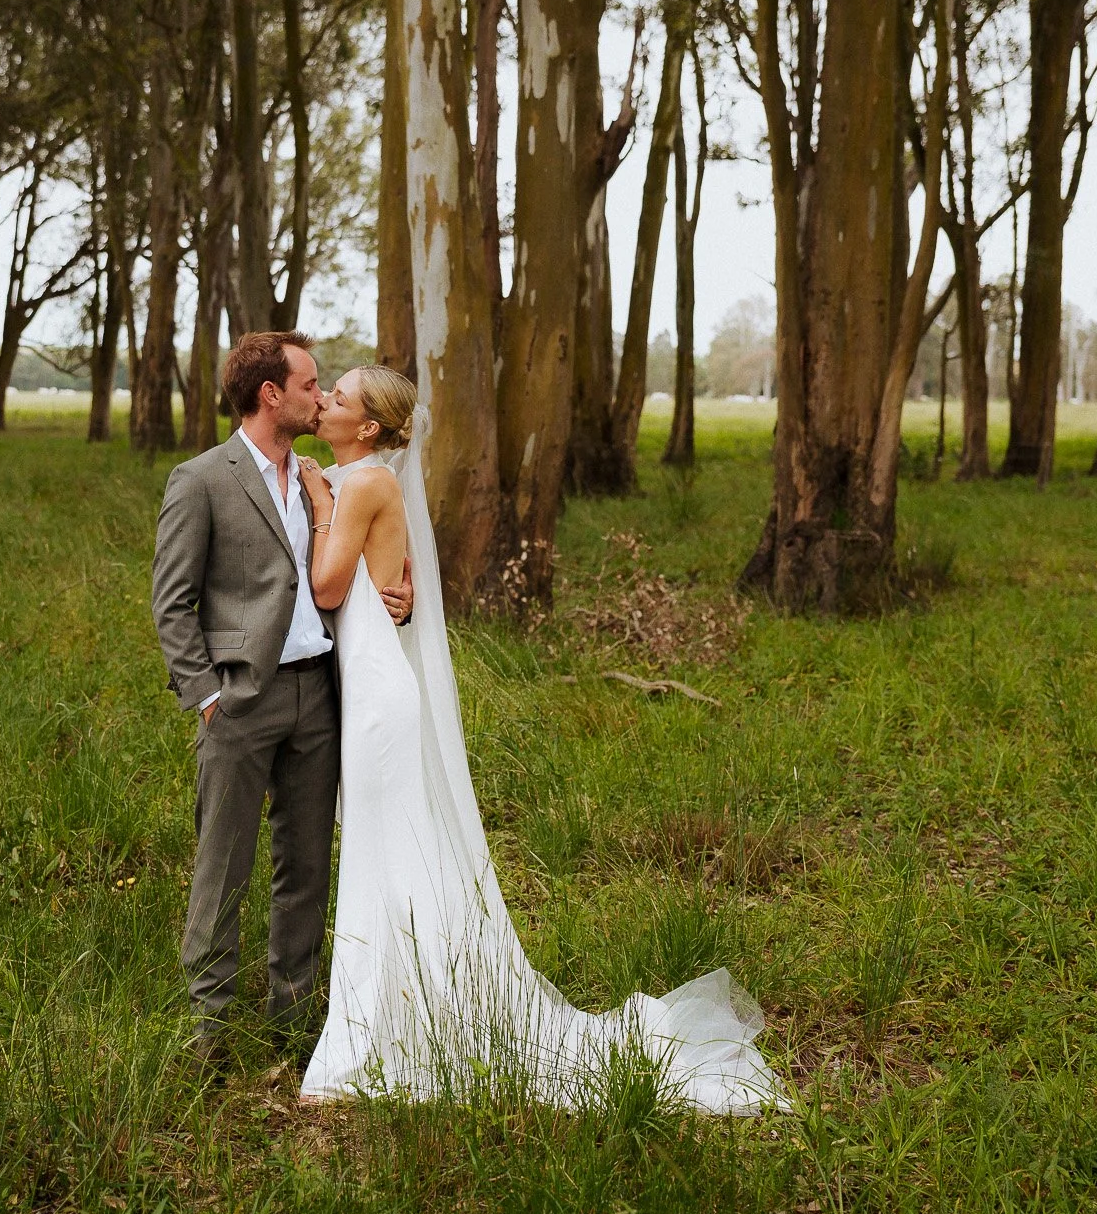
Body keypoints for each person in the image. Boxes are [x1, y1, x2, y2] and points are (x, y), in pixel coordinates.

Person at [293, 365, 785, 1112]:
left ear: (366, 427)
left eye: (339, 397)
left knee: (387, 853)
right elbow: (384, 578)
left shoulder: (354, 486)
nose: (323, 399)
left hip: (374, 701)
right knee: (380, 854)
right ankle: (388, 1015)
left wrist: (321, 498)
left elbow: (330, 587)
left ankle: (389, 1030)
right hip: (363, 685)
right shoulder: (355, 477)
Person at [149, 332, 409, 1074]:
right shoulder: (200, 478)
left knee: (306, 866)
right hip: (239, 700)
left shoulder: (325, 478)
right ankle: (209, 1029)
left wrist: (402, 589)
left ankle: (294, 1025)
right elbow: (172, 604)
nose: (319, 395)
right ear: (272, 394)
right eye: (309, 383)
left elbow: (367, 564)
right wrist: (207, 698)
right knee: (222, 862)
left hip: (320, 695)